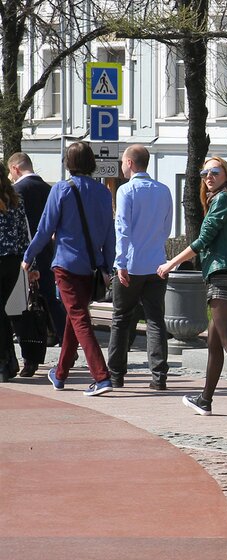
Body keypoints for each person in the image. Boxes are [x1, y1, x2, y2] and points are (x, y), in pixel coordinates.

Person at [157, 156, 227, 424]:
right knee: (214, 342)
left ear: (226, 175)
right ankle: (205, 399)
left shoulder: (222, 200)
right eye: (204, 172)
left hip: (223, 277)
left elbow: (203, 240)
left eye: (214, 172)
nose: (208, 176)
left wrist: (171, 263)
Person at [22, 142, 116, 396]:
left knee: (79, 319)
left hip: (65, 265)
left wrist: (28, 257)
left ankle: (101, 376)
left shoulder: (62, 190)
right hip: (91, 266)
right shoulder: (103, 192)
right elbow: (109, 234)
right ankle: (60, 373)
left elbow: (45, 229)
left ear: (68, 162)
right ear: (92, 162)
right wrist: (107, 265)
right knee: (75, 319)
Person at [108, 145, 173, 390]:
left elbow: (122, 229)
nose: (122, 167)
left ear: (130, 163)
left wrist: (120, 262)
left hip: (132, 264)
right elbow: (166, 228)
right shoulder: (164, 190)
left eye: (123, 162)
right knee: (156, 320)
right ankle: (159, 376)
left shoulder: (126, 191)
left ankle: (116, 374)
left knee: (121, 319)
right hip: (157, 263)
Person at [8, 152, 67, 370]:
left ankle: (28, 355)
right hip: (48, 253)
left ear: (15, 168)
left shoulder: (16, 192)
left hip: (24, 256)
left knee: (22, 306)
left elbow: (21, 230)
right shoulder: (48, 189)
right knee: (50, 300)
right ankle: (66, 339)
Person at [0, 163, 31, 382]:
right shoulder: (15, 201)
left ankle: (5, 362)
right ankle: (8, 361)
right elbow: (23, 236)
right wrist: (26, 262)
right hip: (12, 261)